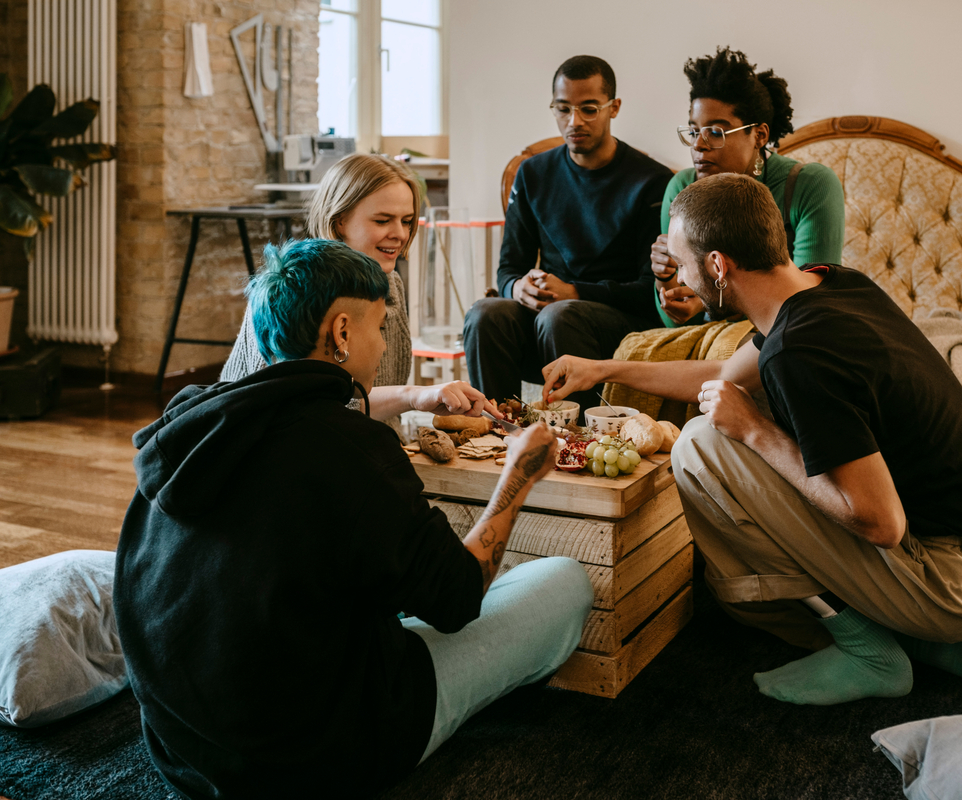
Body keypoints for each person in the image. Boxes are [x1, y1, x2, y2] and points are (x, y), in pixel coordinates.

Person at [541, 174, 962, 712]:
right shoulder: (829, 282)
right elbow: (725, 371)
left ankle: (871, 650)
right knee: (731, 420)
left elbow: (882, 523)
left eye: (681, 263)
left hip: (957, 583)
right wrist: (600, 368)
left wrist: (755, 431)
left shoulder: (799, 351)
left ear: (718, 266)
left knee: (700, 449)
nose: (678, 279)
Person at [114, 239, 593, 798]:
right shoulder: (354, 452)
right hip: (312, 757)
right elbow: (458, 600)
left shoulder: (194, 420)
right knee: (563, 582)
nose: (383, 340)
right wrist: (518, 477)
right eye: (381, 327)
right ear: (342, 332)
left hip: (183, 747)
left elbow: (300, 416)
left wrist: (415, 396)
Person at [221, 153, 496, 433]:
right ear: (340, 220)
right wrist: (414, 396)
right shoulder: (299, 291)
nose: (400, 234)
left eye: (407, 221)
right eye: (382, 220)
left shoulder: (390, 283)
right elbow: (307, 407)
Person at [463, 55, 674, 410]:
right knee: (486, 314)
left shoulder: (652, 182)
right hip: (549, 319)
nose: (573, 121)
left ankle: (578, 443)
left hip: (617, 324)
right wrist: (519, 288)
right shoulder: (532, 175)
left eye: (588, 109)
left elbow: (648, 292)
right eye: (562, 109)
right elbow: (508, 269)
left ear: (614, 108)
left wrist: (574, 292)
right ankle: (498, 430)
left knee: (560, 315)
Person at [652, 46, 844, 327]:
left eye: (716, 132)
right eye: (693, 131)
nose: (698, 145)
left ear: (759, 135)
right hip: (705, 341)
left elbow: (809, 306)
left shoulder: (809, 185)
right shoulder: (681, 188)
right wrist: (665, 279)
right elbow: (673, 327)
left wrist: (713, 303)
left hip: (786, 335)